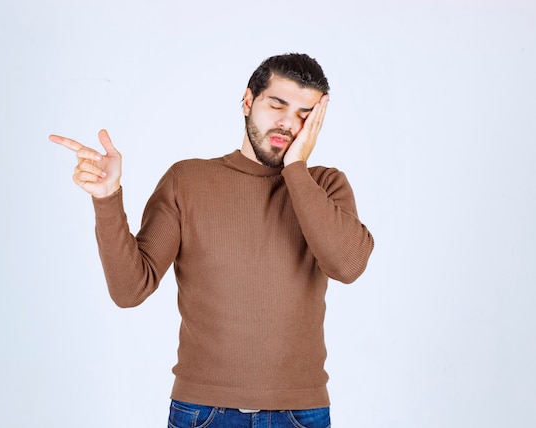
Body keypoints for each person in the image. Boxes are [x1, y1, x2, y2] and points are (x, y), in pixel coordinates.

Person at [50, 53, 374, 428]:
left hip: (300, 413)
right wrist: (107, 198)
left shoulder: (325, 185)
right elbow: (129, 290)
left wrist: (296, 168)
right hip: (203, 412)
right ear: (249, 101)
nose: (288, 122)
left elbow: (348, 266)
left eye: (305, 114)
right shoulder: (187, 180)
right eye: (277, 104)